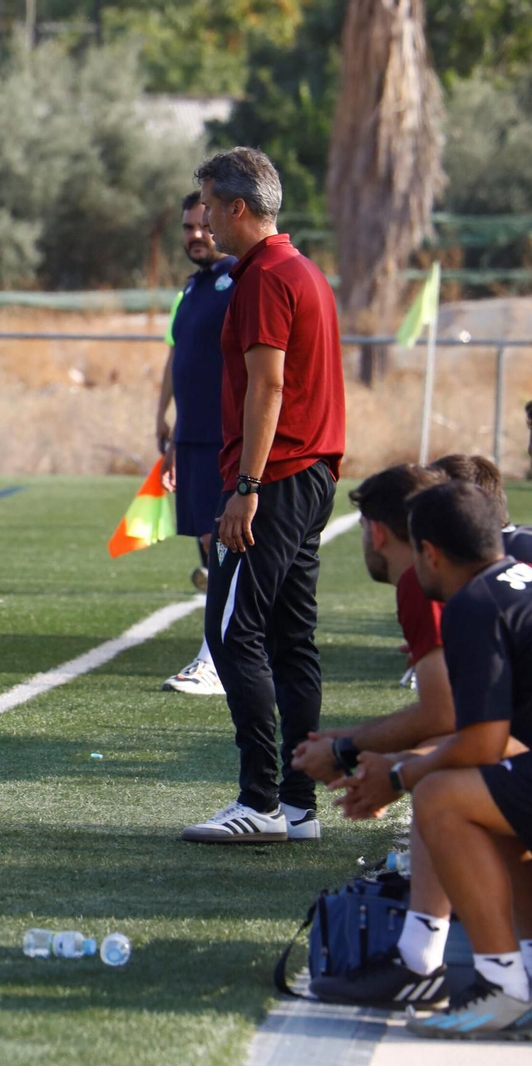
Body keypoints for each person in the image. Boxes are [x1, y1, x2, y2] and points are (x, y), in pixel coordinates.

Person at [181, 147, 347, 845]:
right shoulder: (302, 268)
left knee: (232, 633)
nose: (205, 220)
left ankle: (262, 801)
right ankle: (299, 804)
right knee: (290, 639)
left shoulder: (263, 277)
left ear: (238, 207)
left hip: (275, 478)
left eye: (211, 206)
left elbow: (269, 385)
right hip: (312, 475)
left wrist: (245, 487)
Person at [340, 481, 532, 1037]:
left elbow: (481, 743)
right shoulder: (521, 578)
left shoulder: (475, 603)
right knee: (490, 797)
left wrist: (401, 775)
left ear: (429, 552)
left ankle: (502, 989)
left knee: (441, 796)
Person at [291, 464, 459, 1006]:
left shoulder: (422, 579)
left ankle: (425, 963)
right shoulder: (493, 562)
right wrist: (378, 754)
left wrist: (370, 759)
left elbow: (449, 716)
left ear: (378, 531)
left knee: (440, 789)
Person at [155, 190, 237, 696]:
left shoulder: (239, 282)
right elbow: (178, 354)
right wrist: (166, 422)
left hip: (224, 440)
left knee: (223, 547)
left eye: (204, 226)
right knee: (211, 548)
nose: (196, 235)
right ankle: (223, 655)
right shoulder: (192, 288)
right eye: (187, 228)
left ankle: (216, 660)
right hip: (192, 437)